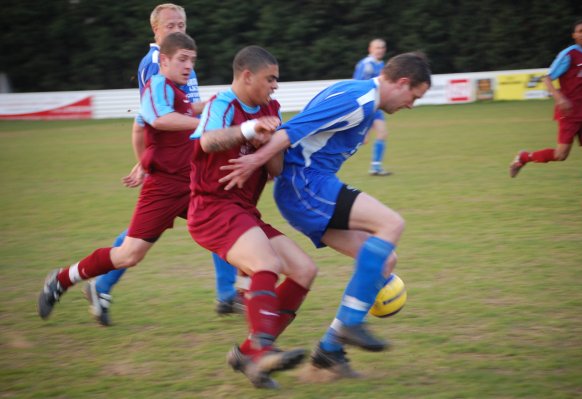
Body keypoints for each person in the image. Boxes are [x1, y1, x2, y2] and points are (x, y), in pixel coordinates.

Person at [218, 52, 431, 377]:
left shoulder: (359, 95)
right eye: (414, 96)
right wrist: (255, 160)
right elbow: (290, 131)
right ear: (402, 83)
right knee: (391, 223)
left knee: (385, 262)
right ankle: (350, 325)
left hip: (311, 187)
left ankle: (326, 351)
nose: (411, 105)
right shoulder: (357, 99)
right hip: (305, 185)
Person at [84, 3, 242, 327]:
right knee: (162, 229)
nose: (177, 30)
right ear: (155, 30)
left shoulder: (182, 60)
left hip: (191, 156)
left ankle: (227, 294)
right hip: (172, 165)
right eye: (170, 25)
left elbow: (186, 110)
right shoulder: (157, 63)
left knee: (217, 210)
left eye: (181, 24)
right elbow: (149, 117)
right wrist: (145, 159)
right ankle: (99, 284)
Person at [38, 32, 207, 323]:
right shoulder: (157, 86)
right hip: (165, 187)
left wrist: (223, 101)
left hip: (191, 183)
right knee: (129, 255)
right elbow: (154, 122)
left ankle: (250, 298)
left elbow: (185, 111)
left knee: (233, 228)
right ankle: (63, 279)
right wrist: (145, 162)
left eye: (192, 60)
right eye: (183, 59)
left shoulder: (177, 91)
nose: (189, 66)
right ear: (163, 59)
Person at [187, 45, 318, 389]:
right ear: (247, 76)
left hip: (244, 212)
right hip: (212, 208)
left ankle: (248, 353)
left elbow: (274, 170)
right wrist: (249, 131)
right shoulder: (221, 104)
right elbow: (207, 142)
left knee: (305, 270)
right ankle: (263, 349)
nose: (275, 86)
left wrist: (271, 141)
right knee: (266, 264)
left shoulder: (271, 109)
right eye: (270, 78)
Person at [509, 19, 582, 210]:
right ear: (574, 35)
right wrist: (559, 97)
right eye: (580, 31)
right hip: (569, 112)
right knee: (561, 155)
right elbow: (548, 78)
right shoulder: (568, 54)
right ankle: (524, 157)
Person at [353, 38, 392, 176]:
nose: (380, 50)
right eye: (377, 48)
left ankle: (375, 167)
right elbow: (356, 84)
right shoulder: (365, 64)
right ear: (370, 49)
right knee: (363, 140)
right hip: (367, 105)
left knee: (382, 133)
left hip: (377, 106)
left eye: (382, 48)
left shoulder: (381, 64)